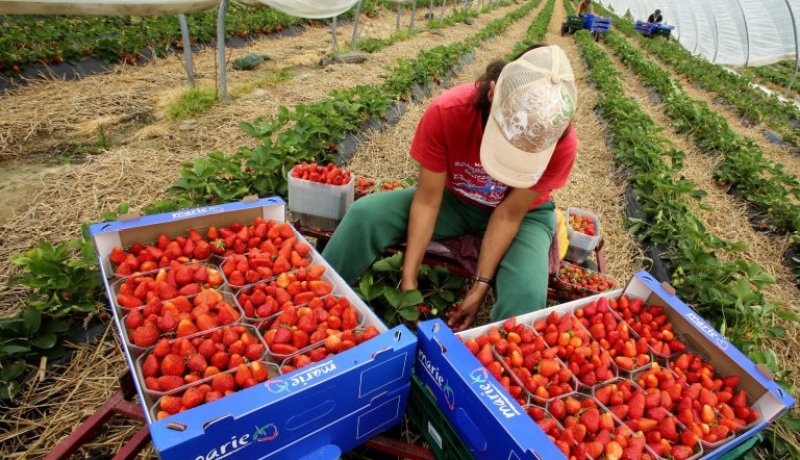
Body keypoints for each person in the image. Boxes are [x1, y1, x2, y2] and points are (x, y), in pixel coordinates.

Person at [321, 45, 578, 331]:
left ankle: (493, 368)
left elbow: (508, 216)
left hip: (523, 215)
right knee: (364, 215)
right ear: (493, 93)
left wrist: (480, 287)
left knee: (526, 296)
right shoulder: (449, 112)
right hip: (455, 199)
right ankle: (318, 302)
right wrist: (409, 279)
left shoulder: (562, 143)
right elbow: (428, 200)